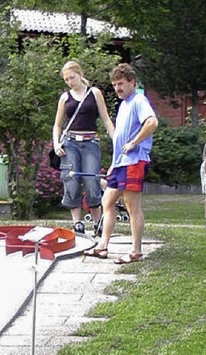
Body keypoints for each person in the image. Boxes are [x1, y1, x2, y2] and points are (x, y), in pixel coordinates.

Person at [84, 63, 158, 264]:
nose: (117, 88)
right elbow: (120, 137)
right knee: (107, 201)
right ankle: (102, 246)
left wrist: (134, 142)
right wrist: (113, 164)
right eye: (115, 84)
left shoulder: (139, 100)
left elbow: (152, 122)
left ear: (132, 83)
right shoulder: (123, 104)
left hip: (135, 161)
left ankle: (136, 251)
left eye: (121, 84)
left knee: (132, 206)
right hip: (120, 164)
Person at [53, 60, 115, 234]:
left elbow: (106, 119)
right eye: (66, 80)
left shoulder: (94, 93)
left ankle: (97, 222)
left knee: (91, 179)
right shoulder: (65, 97)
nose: (70, 82)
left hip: (90, 141)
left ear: (79, 74)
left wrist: (115, 138)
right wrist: (56, 143)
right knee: (71, 179)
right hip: (70, 143)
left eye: (72, 77)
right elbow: (57, 125)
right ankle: (77, 223)